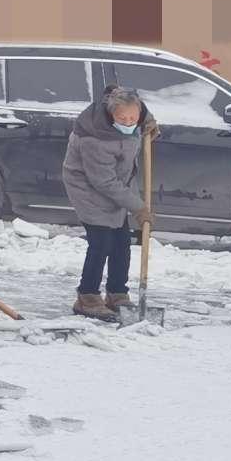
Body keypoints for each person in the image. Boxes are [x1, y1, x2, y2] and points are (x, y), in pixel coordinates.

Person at [61, 86, 158, 319]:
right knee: (101, 242)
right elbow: (103, 182)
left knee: (121, 242)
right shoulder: (94, 138)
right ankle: (87, 296)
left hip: (116, 185)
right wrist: (137, 207)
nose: (128, 122)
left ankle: (117, 293)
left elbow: (142, 115)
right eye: (122, 118)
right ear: (110, 114)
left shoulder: (137, 119)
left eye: (133, 118)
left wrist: (149, 123)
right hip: (88, 187)